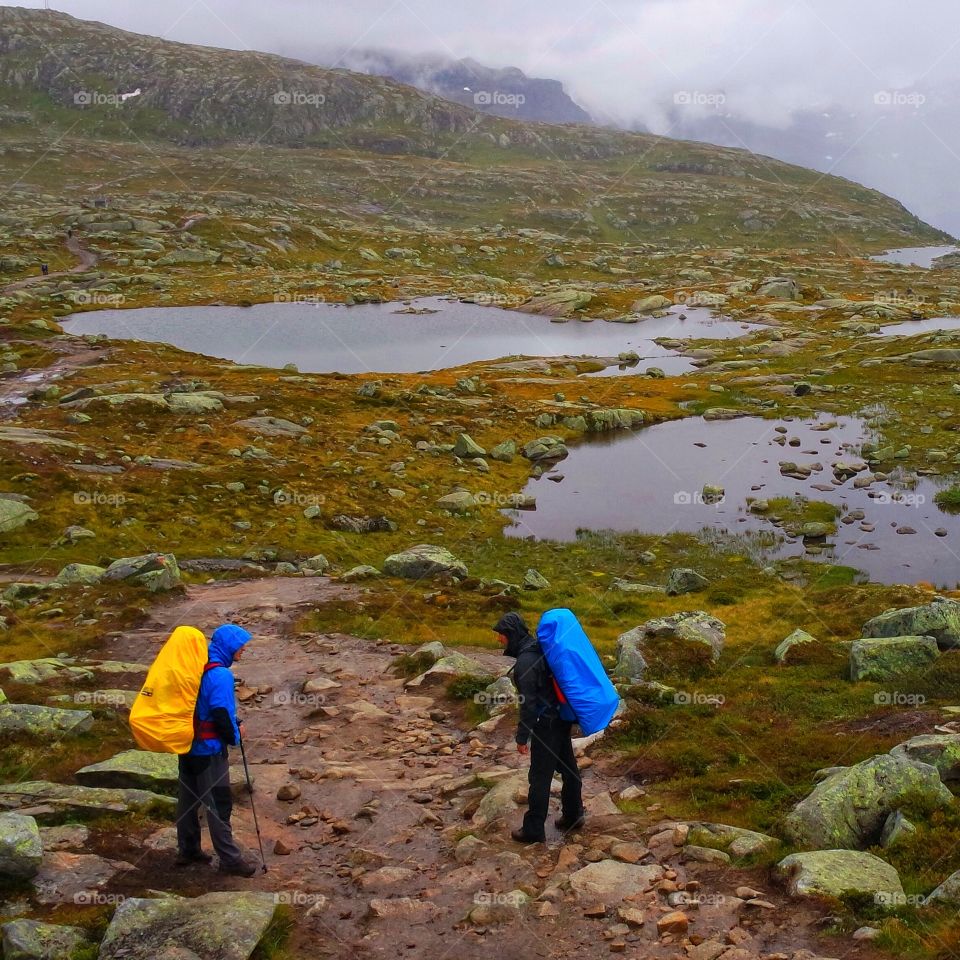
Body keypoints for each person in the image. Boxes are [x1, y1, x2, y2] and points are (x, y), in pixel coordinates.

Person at [494, 612, 584, 843]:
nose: (498, 640)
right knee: (568, 769)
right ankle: (574, 815)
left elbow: (529, 705)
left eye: (501, 635)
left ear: (511, 635)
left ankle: (534, 829)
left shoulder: (525, 662)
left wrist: (522, 737)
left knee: (540, 778)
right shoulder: (539, 648)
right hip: (562, 718)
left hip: (546, 724)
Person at [176, 623, 258, 876]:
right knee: (218, 804)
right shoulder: (221, 675)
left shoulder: (196, 666)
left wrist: (235, 722)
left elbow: (203, 708)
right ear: (229, 647)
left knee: (188, 801)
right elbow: (221, 713)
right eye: (240, 646)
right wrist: (235, 735)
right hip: (209, 750)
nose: (244, 649)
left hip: (187, 745)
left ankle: (188, 850)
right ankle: (230, 860)